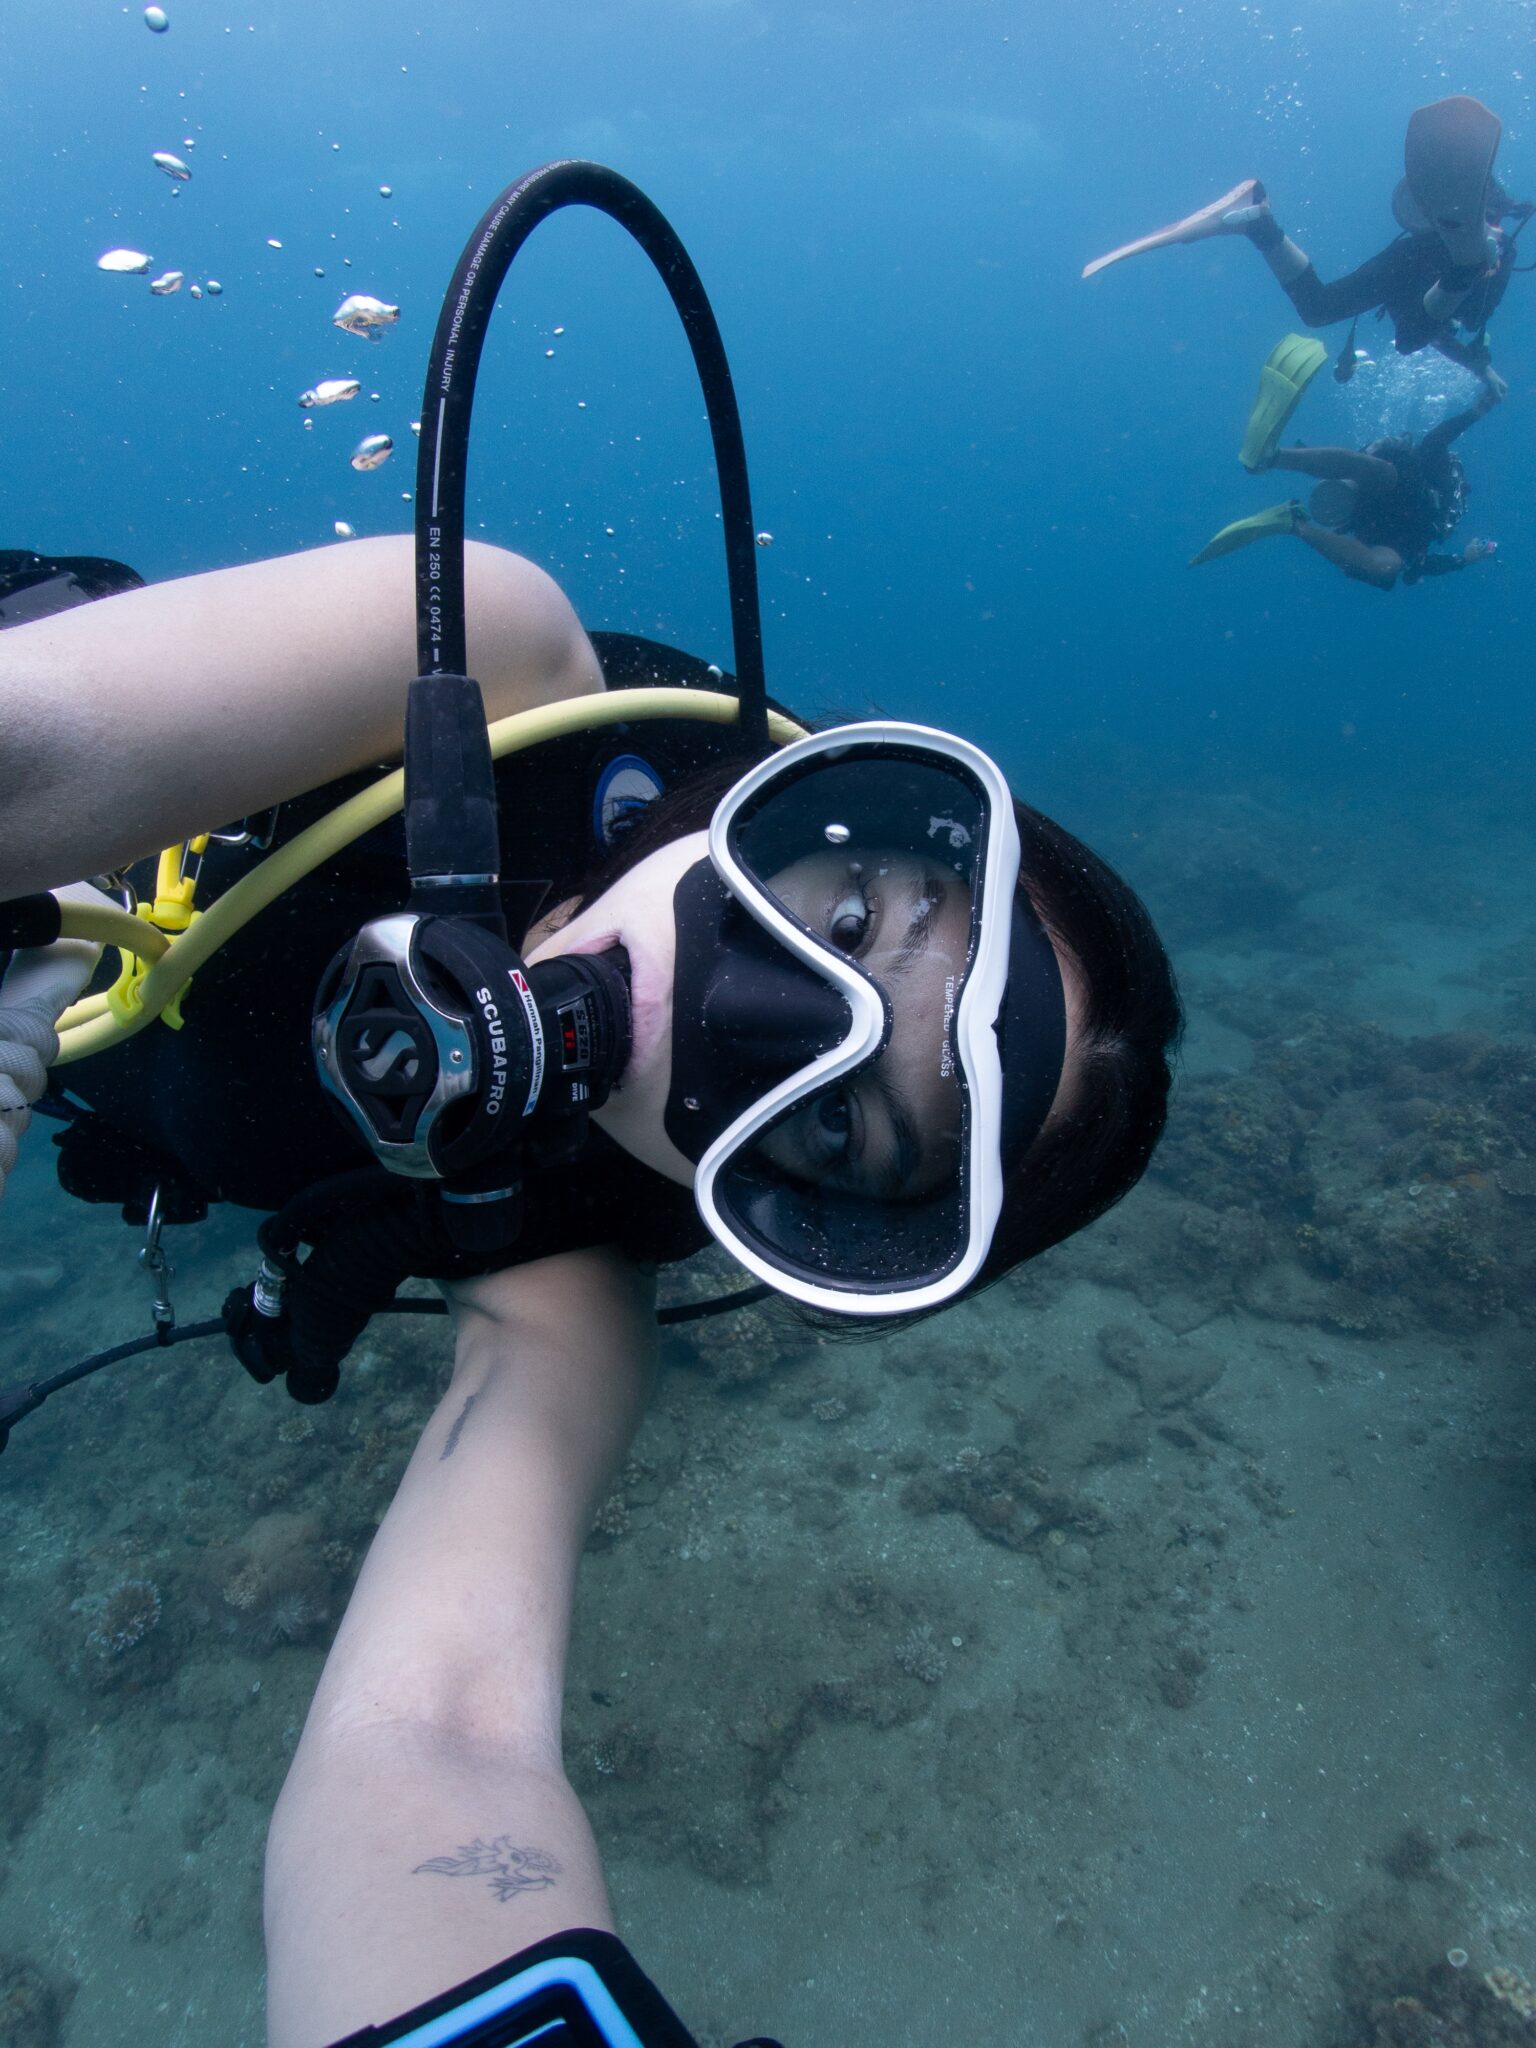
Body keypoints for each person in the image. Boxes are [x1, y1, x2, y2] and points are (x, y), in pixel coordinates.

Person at [0, 533, 1183, 2046]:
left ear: (801, 1210)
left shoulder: (565, 1269)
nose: (734, 1013)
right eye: (844, 926)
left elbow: (445, 1742)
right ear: (835, 810)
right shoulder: (506, 663)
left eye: (834, 1118)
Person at [1084, 95, 1529, 403]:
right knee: (1414, 334)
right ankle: (1468, 260)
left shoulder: (1437, 261)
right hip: (1439, 260)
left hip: (1415, 263)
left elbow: (1428, 327)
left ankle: (1259, 223)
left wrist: (1478, 366)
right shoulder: (1493, 266)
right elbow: (1428, 329)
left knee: (1319, 309)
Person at [1188, 331, 1500, 589]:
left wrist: (1464, 560)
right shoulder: (1442, 473)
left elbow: (1420, 567)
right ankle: (1271, 457)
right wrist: (1477, 411)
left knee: (1384, 569)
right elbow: (1434, 442)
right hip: (1398, 485)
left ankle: (1293, 522)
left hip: (1394, 532)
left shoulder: (1448, 513)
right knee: (1378, 471)